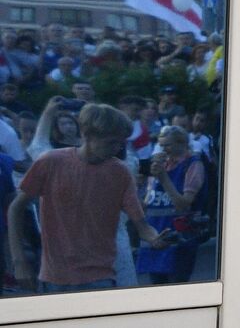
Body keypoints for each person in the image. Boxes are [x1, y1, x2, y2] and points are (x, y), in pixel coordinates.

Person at [8, 103, 172, 293]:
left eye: (121, 143)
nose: (118, 148)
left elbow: (142, 227)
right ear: (86, 135)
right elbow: (15, 208)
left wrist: (155, 238)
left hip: (100, 276)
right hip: (55, 276)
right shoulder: (51, 162)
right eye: (111, 142)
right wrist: (19, 261)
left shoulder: (120, 172)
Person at [135, 126, 206, 283]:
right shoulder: (161, 165)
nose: (163, 149)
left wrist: (163, 178)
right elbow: (147, 203)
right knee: (157, 287)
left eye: (167, 145)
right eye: (161, 144)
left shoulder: (193, 165)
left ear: (181, 144)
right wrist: (138, 184)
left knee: (177, 286)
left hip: (180, 238)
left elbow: (184, 205)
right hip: (156, 235)